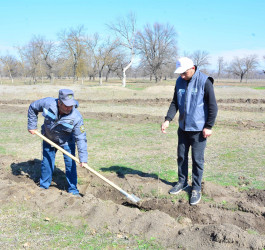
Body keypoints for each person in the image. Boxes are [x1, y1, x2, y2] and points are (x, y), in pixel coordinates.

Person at [161, 57, 218, 205]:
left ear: (192, 68)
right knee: (181, 156)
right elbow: (175, 102)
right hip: (183, 128)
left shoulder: (205, 81)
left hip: (199, 130)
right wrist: (168, 119)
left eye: (184, 73)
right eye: (180, 73)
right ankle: (182, 182)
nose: (182, 76)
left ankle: (196, 188)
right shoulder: (179, 81)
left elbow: (212, 106)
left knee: (197, 160)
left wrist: (209, 126)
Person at [28, 89, 88, 196]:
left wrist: (83, 159)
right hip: (49, 137)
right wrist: (32, 126)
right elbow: (33, 107)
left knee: (70, 165)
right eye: (66, 105)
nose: (69, 108)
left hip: (66, 141)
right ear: (59, 102)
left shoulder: (76, 117)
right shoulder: (48, 103)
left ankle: (73, 190)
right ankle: (44, 186)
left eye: (71, 105)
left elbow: (81, 138)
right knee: (47, 162)